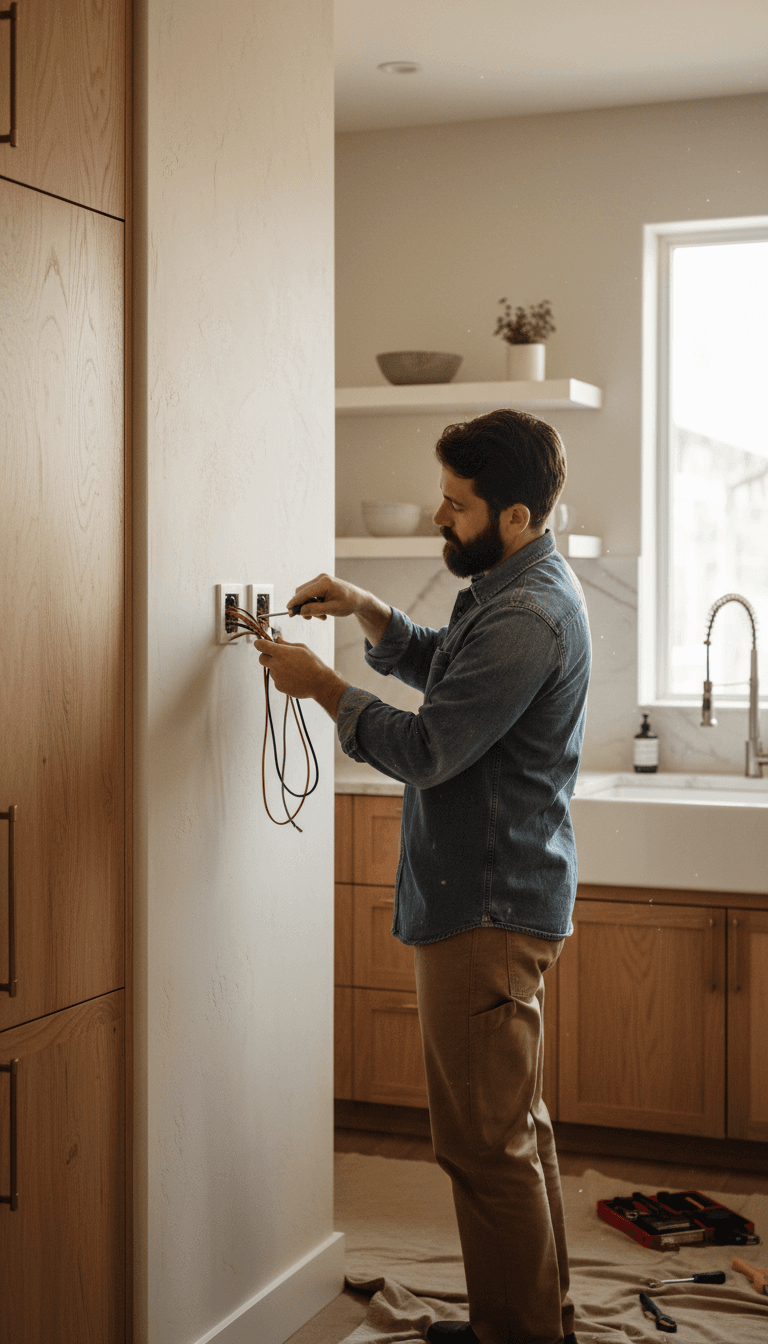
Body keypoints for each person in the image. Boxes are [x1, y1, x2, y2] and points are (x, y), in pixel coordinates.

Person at [254, 408, 590, 1344]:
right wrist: (369, 611)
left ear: (514, 516)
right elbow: (455, 670)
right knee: (513, 1130)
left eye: (455, 504)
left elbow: (433, 744)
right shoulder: (517, 582)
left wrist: (324, 687)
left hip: (484, 910)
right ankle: (536, 1321)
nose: (439, 518)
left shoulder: (527, 612)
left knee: (483, 1148)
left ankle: (515, 1336)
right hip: (497, 898)